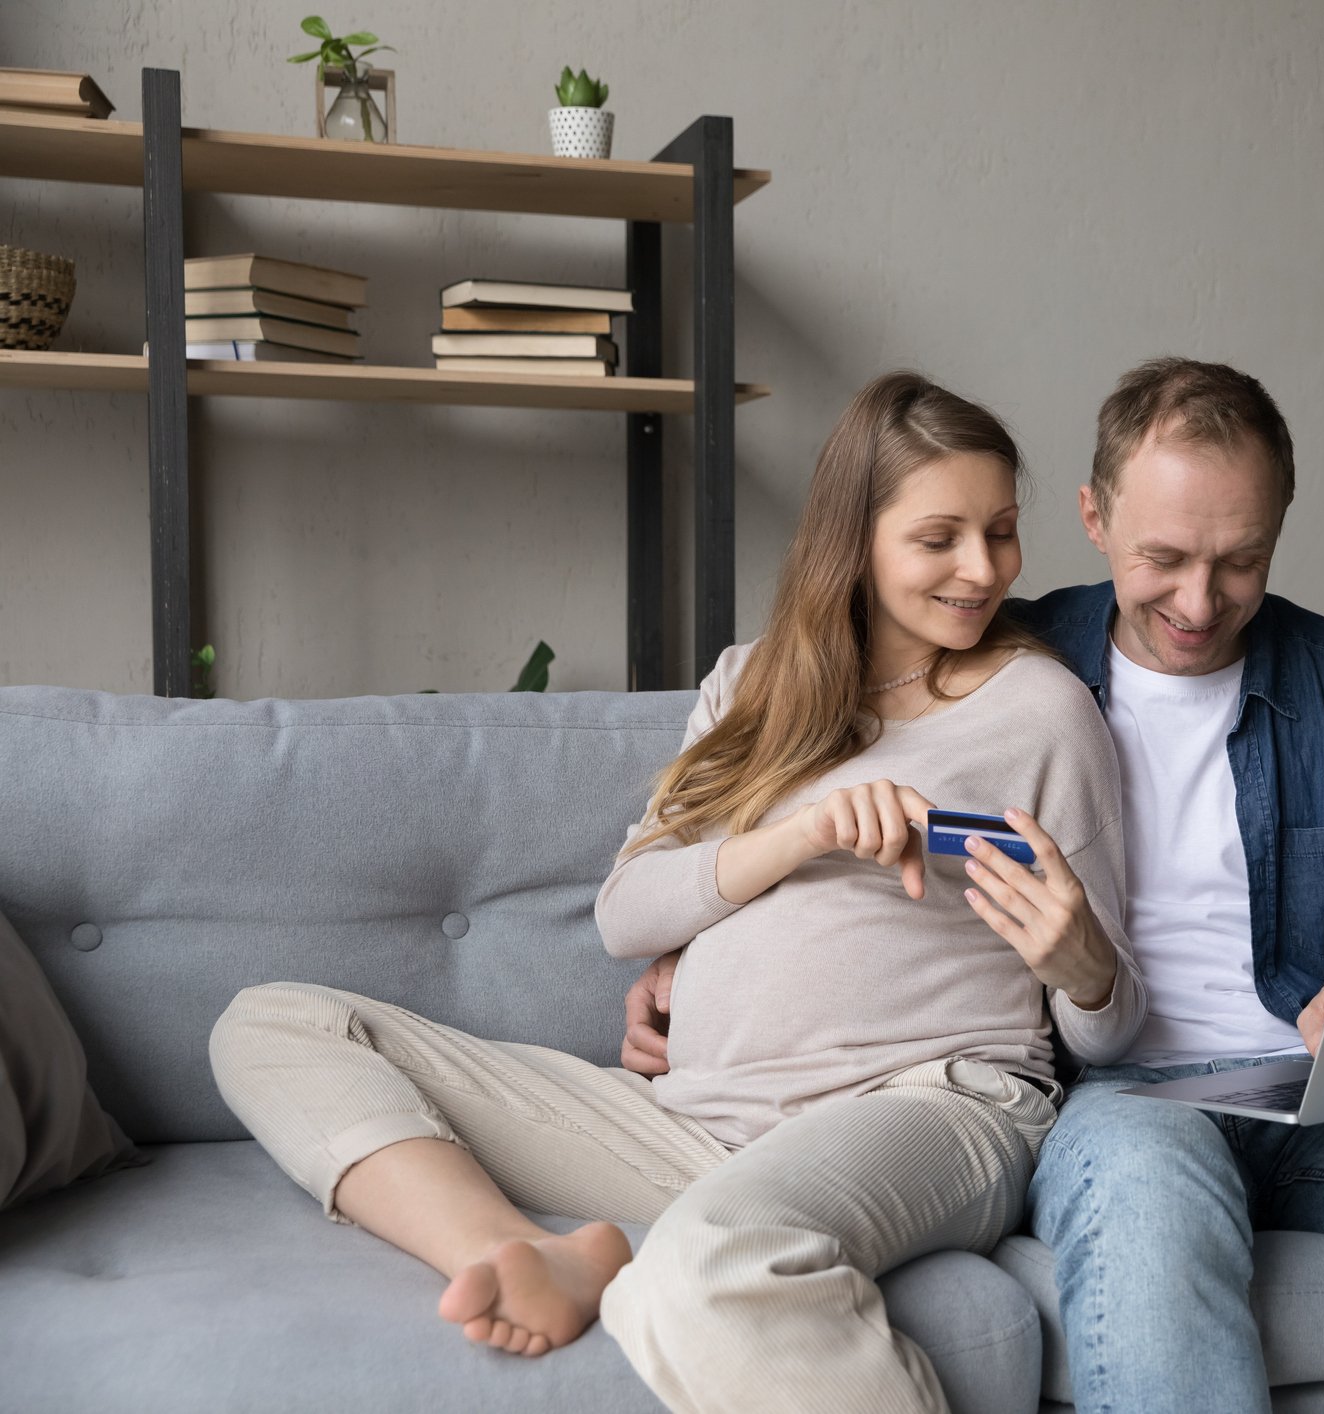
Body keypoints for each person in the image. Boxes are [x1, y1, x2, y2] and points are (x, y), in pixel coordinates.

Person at [624, 357, 1324, 1413]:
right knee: (1147, 1187)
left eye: (1242, 560)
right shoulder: (998, 663)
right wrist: (686, 957)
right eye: (1165, 558)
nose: (1201, 600)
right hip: (1120, 1095)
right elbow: (810, 804)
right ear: (1092, 517)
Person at [208, 371, 1144, 1414]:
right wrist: (794, 837)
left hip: (927, 1106)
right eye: (941, 538)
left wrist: (1086, 970)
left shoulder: (1043, 713)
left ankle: (639, 1255)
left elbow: (1111, 1028)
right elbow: (626, 914)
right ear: (855, 539)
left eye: (1003, 533)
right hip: (695, 1122)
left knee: (703, 1271)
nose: (983, 569)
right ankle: (521, 1249)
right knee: (279, 1021)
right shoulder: (751, 687)